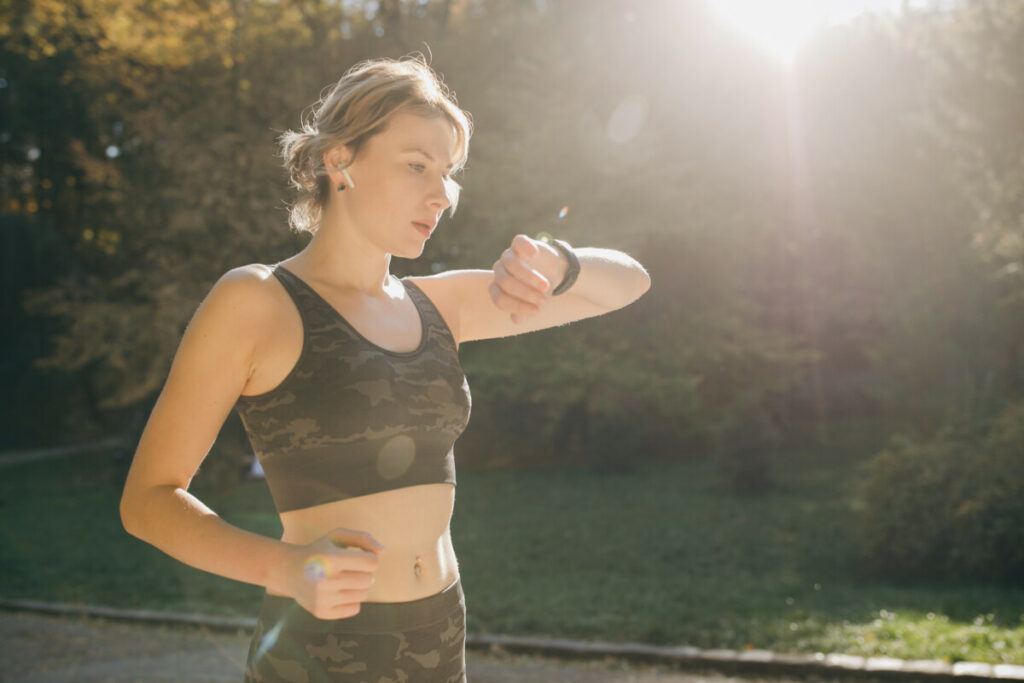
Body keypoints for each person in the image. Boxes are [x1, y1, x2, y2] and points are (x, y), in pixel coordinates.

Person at [119, 54, 650, 683]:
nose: (441, 194)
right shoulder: (257, 300)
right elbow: (147, 502)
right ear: (340, 160)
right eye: (416, 165)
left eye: (447, 173)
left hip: (441, 634)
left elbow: (630, 284)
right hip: (325, 653)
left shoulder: (439, 305)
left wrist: (560, 265)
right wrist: (287, 569)